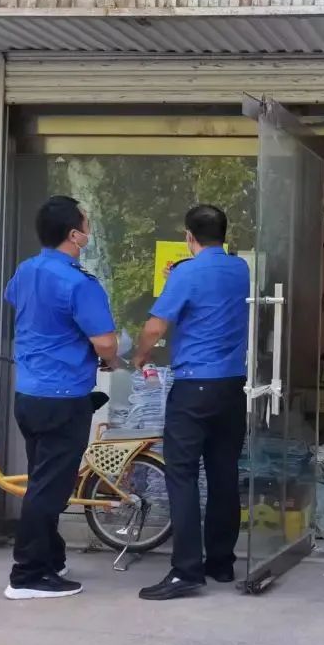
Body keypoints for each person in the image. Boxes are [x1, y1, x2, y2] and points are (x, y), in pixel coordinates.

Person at [3, 195, 120, 600]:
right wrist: (110, 359)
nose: (89, 230)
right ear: (74, 235)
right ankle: (27, 575)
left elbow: (22, 306)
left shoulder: (26, 270)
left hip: (29, 394)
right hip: (63, 398)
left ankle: (51, 560)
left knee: (43, 481)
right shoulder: (79, 283)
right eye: (86, 224)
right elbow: (105, 342)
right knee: (49, 490)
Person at [133, 204, 250, 601]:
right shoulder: (240, 269)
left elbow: (155, 326)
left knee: (181, 474)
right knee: (223, 473)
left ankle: (186, 570)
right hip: (232, 386)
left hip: (194, 386)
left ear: (189, 236)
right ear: (224, 234)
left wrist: (140, 356)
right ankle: (221, 562)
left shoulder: (187, 273)